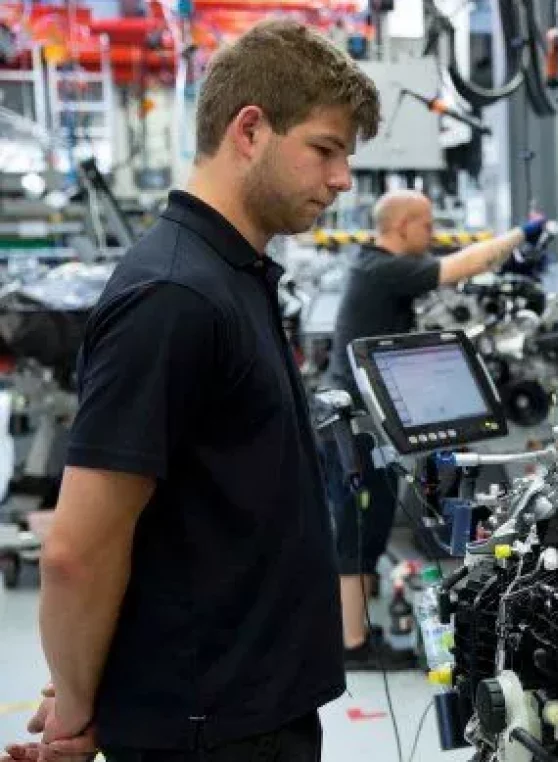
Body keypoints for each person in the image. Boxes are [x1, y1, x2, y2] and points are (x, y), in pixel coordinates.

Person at [2, 19, 380, 762]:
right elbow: (79, 548)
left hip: (248, 707)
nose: (341, 179)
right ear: (250, 130)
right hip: (216, 730)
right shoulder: (176, 295)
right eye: (326, 149)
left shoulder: (233, 274)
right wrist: (80, 704)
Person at [323, 189, 546, 670]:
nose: (434, 233)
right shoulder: (382, 270)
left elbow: (460, 260)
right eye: (426, 225)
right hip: (358, 426)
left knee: (371, 528)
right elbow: (460, 266)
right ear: (401, 226)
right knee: (359, 534)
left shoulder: (378, 264)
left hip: (370, 423)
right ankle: (353, 645)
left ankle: (355, 631)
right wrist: (520, 234)